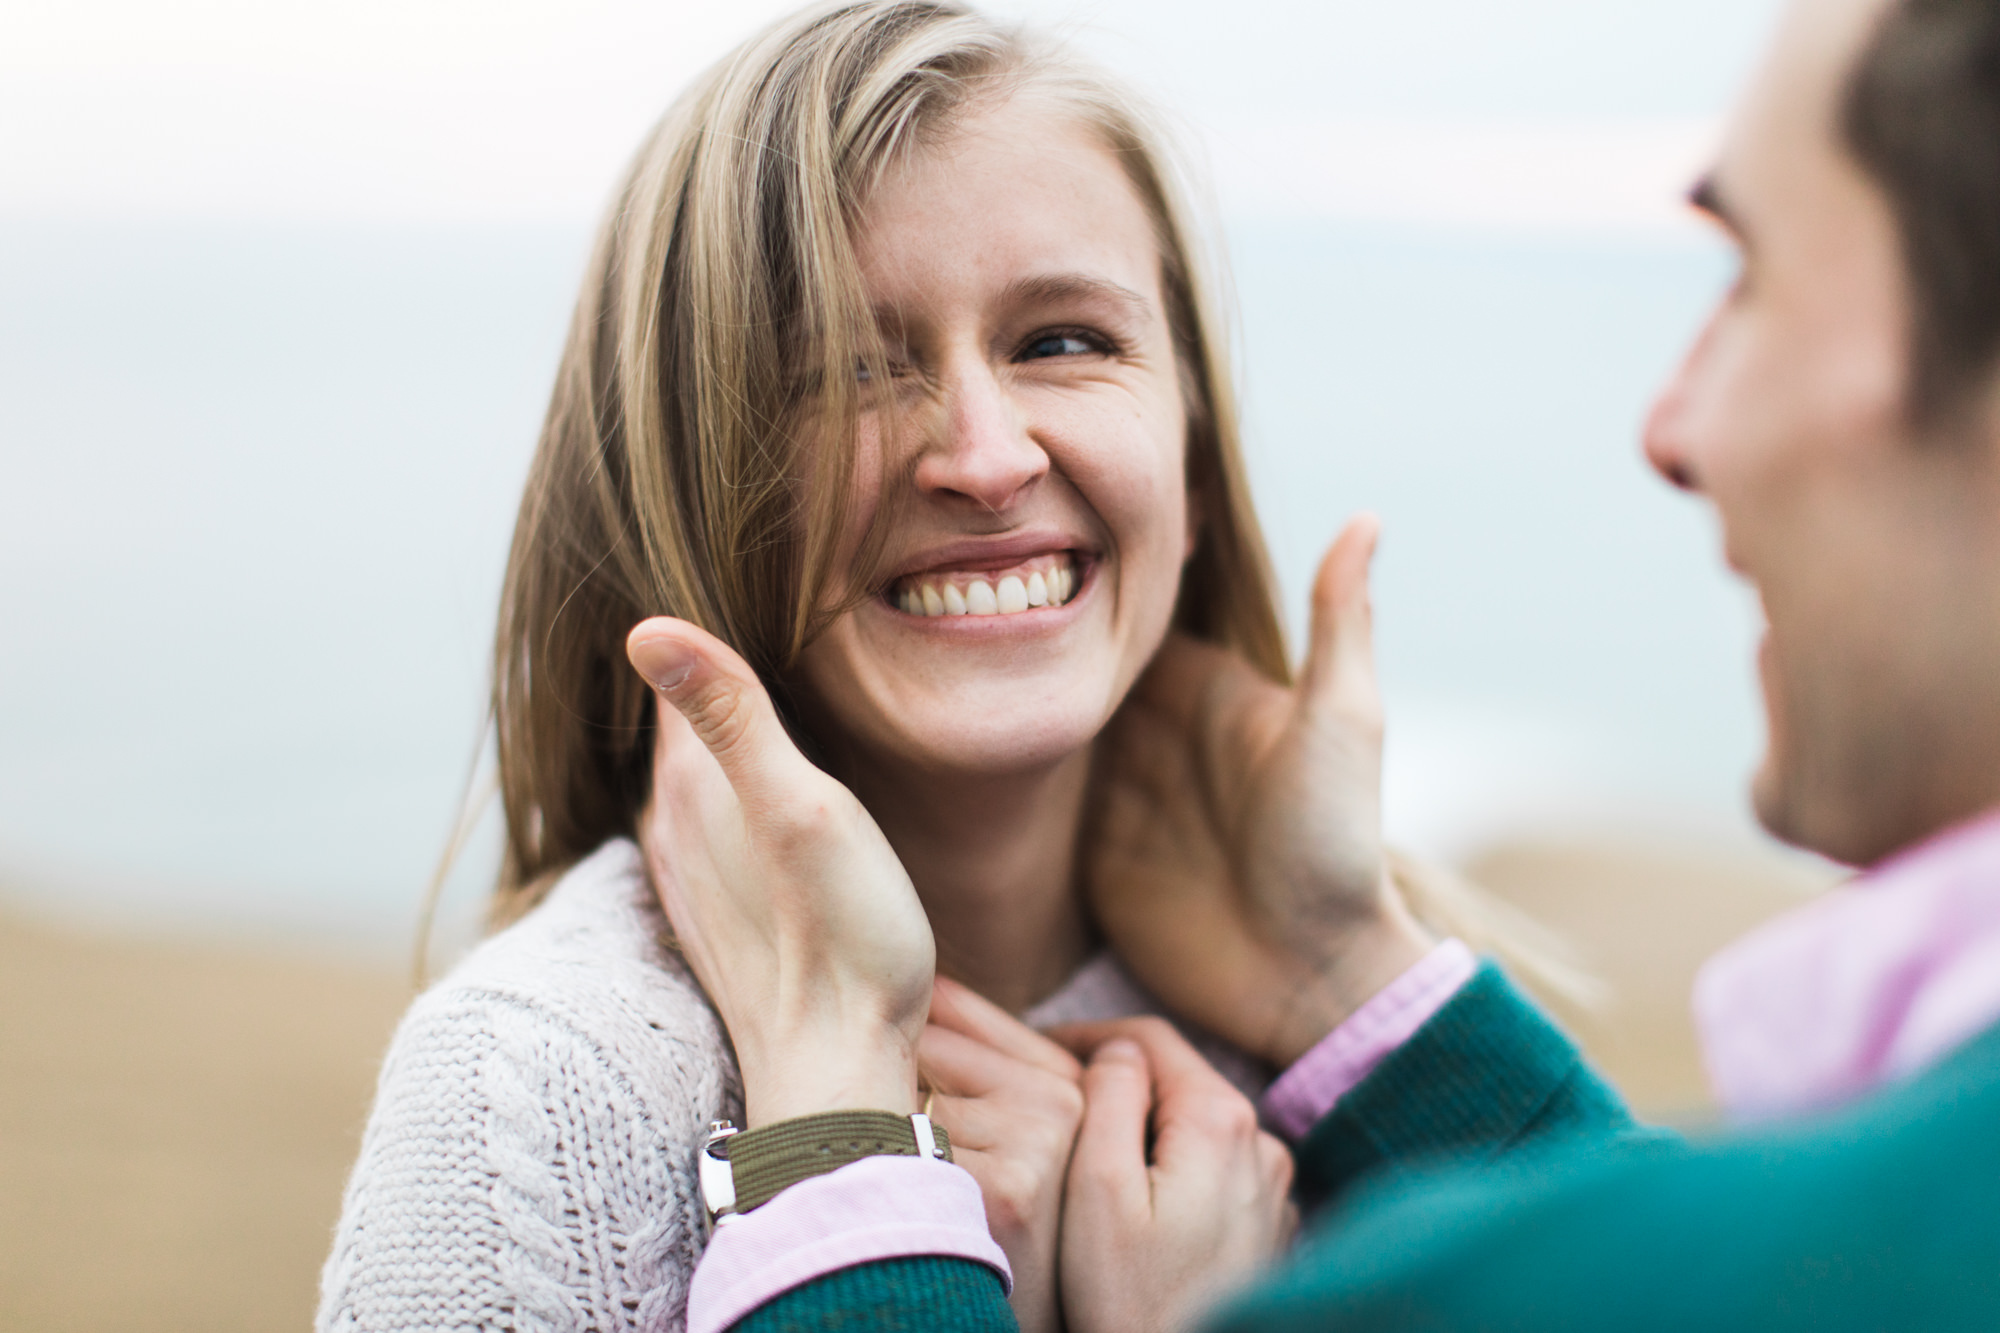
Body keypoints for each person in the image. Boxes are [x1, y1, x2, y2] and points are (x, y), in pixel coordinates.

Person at [636, 0, 2000, 1327]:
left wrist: (830, 1134)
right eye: (851, 367)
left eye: (1749, 277)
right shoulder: (545, 1070)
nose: (1669, 426)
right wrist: (1348, 974)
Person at [316, 4, 1558, 1330]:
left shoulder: (1353, 1024)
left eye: (1064, 340)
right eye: (851, 367)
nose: (987, 454)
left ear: (1191, 448)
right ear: (684, 487)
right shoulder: (542, 1083)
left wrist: (1341, 971)